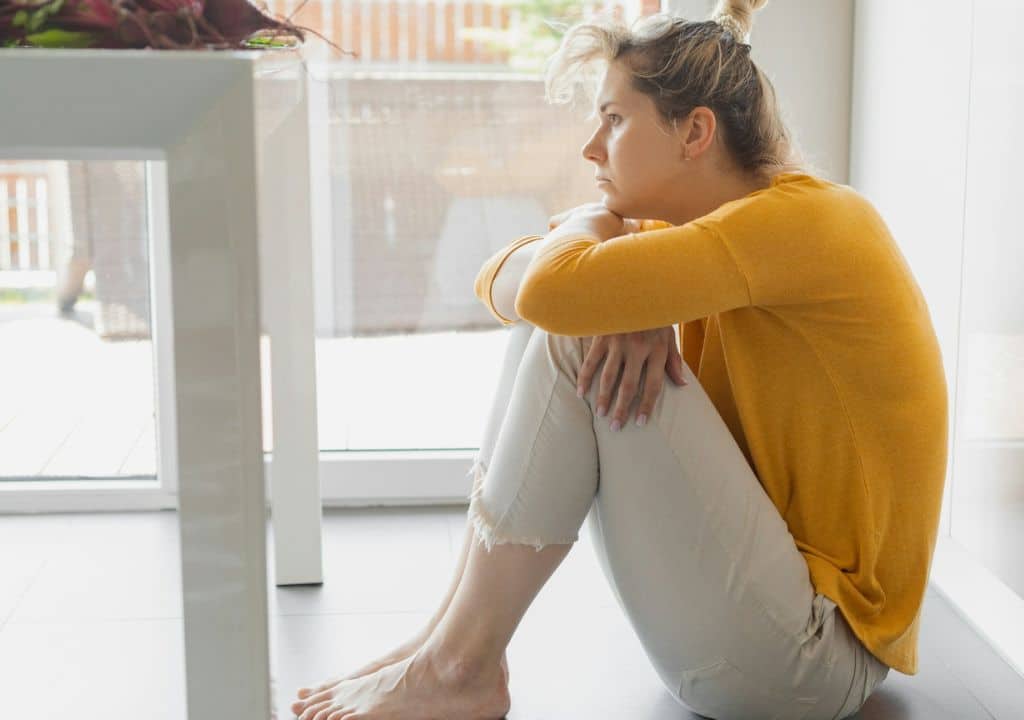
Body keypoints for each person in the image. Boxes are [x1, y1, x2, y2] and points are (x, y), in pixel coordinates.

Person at [291, 1, 948, 718]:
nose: (589, 150)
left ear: (695, 132)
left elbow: (547, 286)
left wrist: (595, 249)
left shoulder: (807, 223)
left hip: (811, 658)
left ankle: (459, 665)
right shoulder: (703, 229)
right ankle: (446, 645)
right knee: (570, 318)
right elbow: (506, 281)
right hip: (759, 633)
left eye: (613, 119)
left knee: (575, 325)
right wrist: (608, 270)